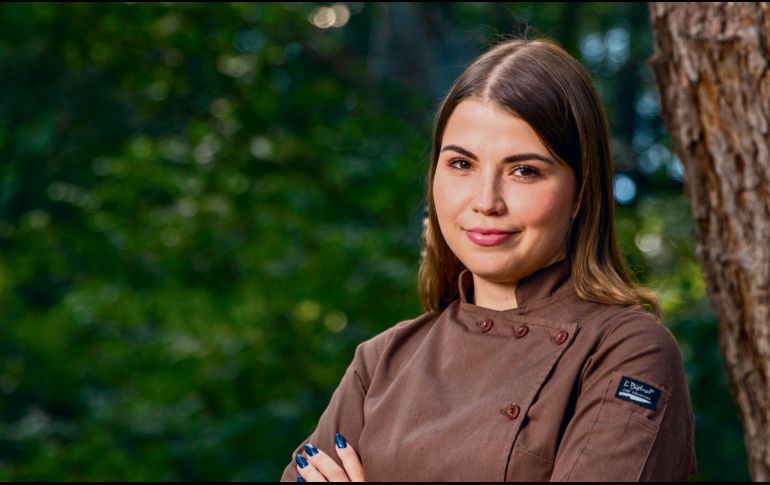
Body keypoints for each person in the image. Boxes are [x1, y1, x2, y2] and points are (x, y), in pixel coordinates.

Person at [280, 35, 697, 482]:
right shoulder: (383, 360)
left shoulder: (627, 350)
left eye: (524, 171)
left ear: (580, 192)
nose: (486, 201)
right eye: (462, 164)